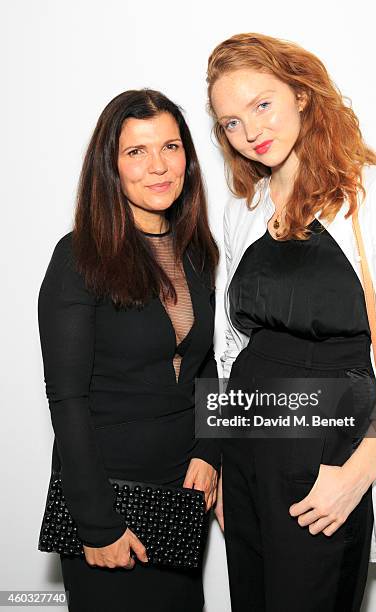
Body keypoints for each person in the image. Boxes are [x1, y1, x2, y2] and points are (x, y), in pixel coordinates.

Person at [206, 33, 376, 611]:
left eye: (262, 104)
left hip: (326, 453)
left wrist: (355, 475)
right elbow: (230, 346)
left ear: (303, 94)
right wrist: (219, 452)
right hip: (245, 450)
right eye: (231, 122)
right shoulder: (244, 207)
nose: (251, 131)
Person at [38, 88, 220, 612]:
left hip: (181, 494)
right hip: (107, 494)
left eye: (170, 146)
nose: (158, 166)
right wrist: (98, 524)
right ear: (110, 168)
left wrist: (209, 452)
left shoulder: (199, 252)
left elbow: (209, 366)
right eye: (136, 152)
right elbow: (67, 400)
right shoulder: (79, 256)